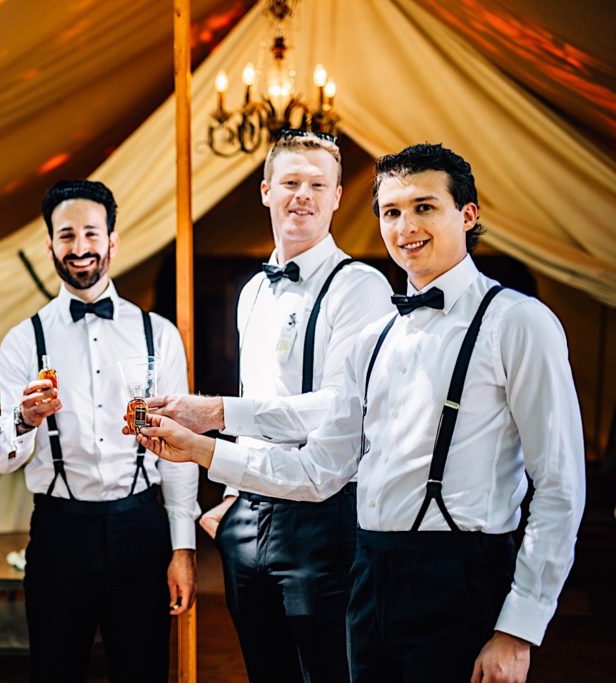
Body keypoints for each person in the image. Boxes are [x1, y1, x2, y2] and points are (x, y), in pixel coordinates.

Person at [135, 143, 585, 683]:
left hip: (462, 575)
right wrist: (200, 448)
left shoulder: (518, 322)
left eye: (424, 207)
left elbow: (560, 486)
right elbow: (317, 471)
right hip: (369, 576)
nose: (405, 226)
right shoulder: (375, 339)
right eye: (391, 212)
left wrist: (519, 628)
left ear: (467, 215)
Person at [144, 131, 393, 682]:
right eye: (290, 182)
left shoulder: (361, 287)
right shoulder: (252, 289)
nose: (302, 195)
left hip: (325, 518)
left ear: (335, 198)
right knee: (264, 669)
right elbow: (261, 390)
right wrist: (233, 497)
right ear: (265, 191)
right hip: (248, 515)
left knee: (330, 671)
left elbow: (335, 410)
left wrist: (215, 416)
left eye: (317, 185)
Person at [0, 179, 200, 682]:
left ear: (113, 239)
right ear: (49, 245)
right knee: (55, 670)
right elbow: (1, 457)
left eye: (91, 232)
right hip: (60, 531)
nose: (80, 248)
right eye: (66, 236)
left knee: (144, 669)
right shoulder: (23, 341)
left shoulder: (159, 335)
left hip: (140, 528)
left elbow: (179, 449)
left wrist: (182, 547)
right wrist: (24, 419)